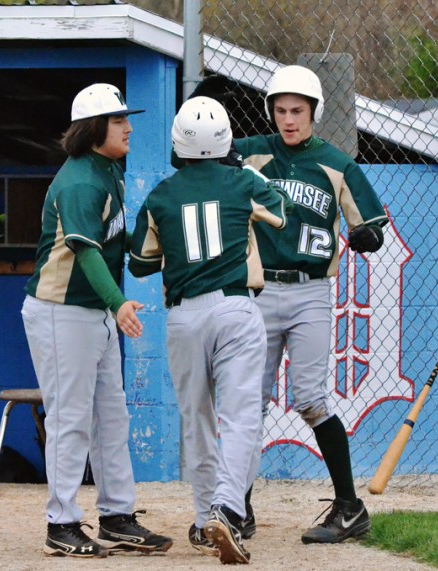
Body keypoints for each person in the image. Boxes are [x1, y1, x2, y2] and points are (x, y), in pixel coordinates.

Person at [129, 96, 292, 564]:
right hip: (235, 309)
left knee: (195, 418)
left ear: (178, 141)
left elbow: (141, 262)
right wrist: (245, 172)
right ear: (225, 142)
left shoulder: (161, 194)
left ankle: (205, 519)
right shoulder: (242, 181)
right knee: (240, 416)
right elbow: (280, 213)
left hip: (184, 316)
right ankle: (228, 507)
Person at [236, 65, 387, 544]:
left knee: (309, 399)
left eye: (297, 110)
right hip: (258, 290)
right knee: (247, 402)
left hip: (309, 292)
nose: (288, 119)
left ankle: (349, 508)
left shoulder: (337, 163)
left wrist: (366, 235)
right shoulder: (250, 152)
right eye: (280, 110)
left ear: (314, 113)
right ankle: (236, 505)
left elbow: (373, 225)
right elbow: (193, 159)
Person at [21, 83, 172, 558]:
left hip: (92, 312)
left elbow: (117, 246)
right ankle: (60, 523)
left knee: (112, 417)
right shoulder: (82, 180)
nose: (129, 127)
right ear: (93, 129)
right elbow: (84, 251)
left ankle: (116, 516)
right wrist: (117, 302)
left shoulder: (108, 172)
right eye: (118, 120)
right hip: (60, 311)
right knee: (70, 420)